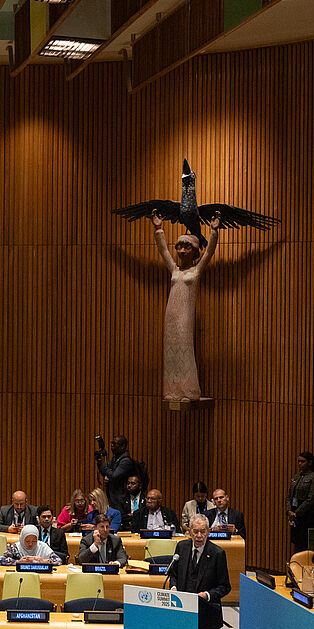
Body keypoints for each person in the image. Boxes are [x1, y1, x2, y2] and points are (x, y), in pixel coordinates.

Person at [153, 211, 222, 401]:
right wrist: (159, 229)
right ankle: (173, 390)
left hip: (185, 316)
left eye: (187, 247)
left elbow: (209, 253)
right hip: (171, 316)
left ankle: (189, 390)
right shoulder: (174, 270)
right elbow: (163, 252)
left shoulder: (196, 271)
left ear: (194, 250)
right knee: (171, 350)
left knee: (184, 348)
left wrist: (214, 232)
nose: (182, 251)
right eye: (180, 247)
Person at [286, 452, 314, 554]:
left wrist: (297, 513)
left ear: (309, 463)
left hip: (306, 516)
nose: (300, 464)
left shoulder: (313, 477)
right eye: (298, 461)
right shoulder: (296, 477)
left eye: (302, 461)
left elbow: (311, 499)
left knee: (304, 543)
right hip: (293, 514)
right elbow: (289, 496)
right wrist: (289, 510)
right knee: (296, 542)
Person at [96, 435, 137, 511]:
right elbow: (106, 473)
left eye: (115, 444)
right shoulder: (115, 458)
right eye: (112, 443)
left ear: (122, 446)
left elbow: (114, 476)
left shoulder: (126, 461)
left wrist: (104, 466)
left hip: (121, 498)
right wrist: (100, 464)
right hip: (113, 496)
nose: (112, 446)